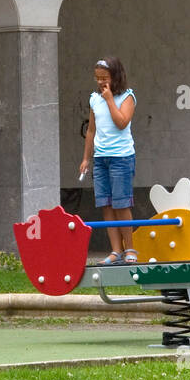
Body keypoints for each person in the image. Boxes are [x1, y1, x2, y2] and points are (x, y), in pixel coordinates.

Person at [78, 57, 138, 265]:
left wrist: (110, 99)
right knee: (106, 204)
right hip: (101, 158)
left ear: (116, 77)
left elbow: (121, 122)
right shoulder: (95, 99)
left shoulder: (127, 97)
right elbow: (92, 130)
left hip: (121, 157)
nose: (101, 82)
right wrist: (86, 158)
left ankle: (130, 249)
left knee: (121, 203)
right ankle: (115, 250)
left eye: (105, 78)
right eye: (97, 78)